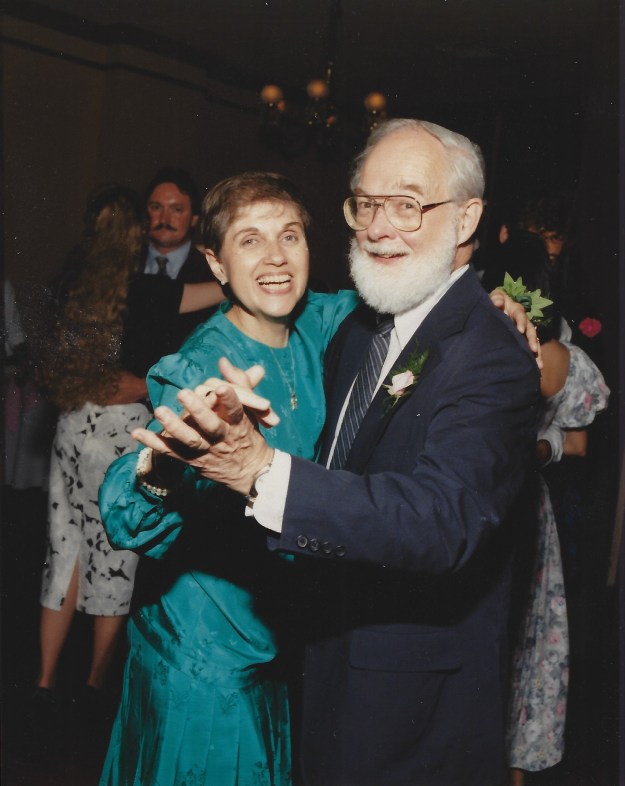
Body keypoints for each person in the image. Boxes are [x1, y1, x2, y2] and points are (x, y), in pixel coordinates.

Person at [124, 119, 542, 786]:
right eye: (365, 204)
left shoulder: (339, 323)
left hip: (342, 678)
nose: (378, 226)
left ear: (466, 218)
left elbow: (444, 509)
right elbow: (132, 510)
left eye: (406, 204)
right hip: (212, 656)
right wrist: (159, 467)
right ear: (214, 261)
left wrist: (498, 305)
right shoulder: (206, 362)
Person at [32, 185, 223, 715]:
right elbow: (222, 294)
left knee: (63, 551)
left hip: (71, 426)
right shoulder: (148, 292)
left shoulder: (68, 284)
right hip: (120, 432)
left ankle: (44, 681)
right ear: (136, 235)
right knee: (115, 554)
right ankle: (93, 686)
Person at [498, 239, 610, 785]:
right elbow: (575, 445)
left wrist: (530, 450)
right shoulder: (564, 358)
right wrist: (538, 449)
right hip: (521, 505)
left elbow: (579, 448)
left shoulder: (484, 347)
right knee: (523, 641)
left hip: (501, 508)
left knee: (507, 637)